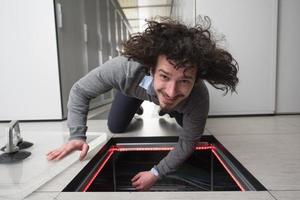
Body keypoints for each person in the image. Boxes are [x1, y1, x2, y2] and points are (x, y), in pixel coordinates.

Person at [46, 16, 239, 190]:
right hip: (134, 91)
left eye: (184, 80)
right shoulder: (123, 69)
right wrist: (77, 135)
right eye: (164, 76)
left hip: (180, 104)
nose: (172, 91)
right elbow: (80, 91)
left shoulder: (198, 97)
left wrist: (156, 172)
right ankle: (141, 105)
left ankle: (166, 109)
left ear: (196, 80)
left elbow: (188, 142)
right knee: (116, 126)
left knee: (186, 125)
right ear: (151, 69)